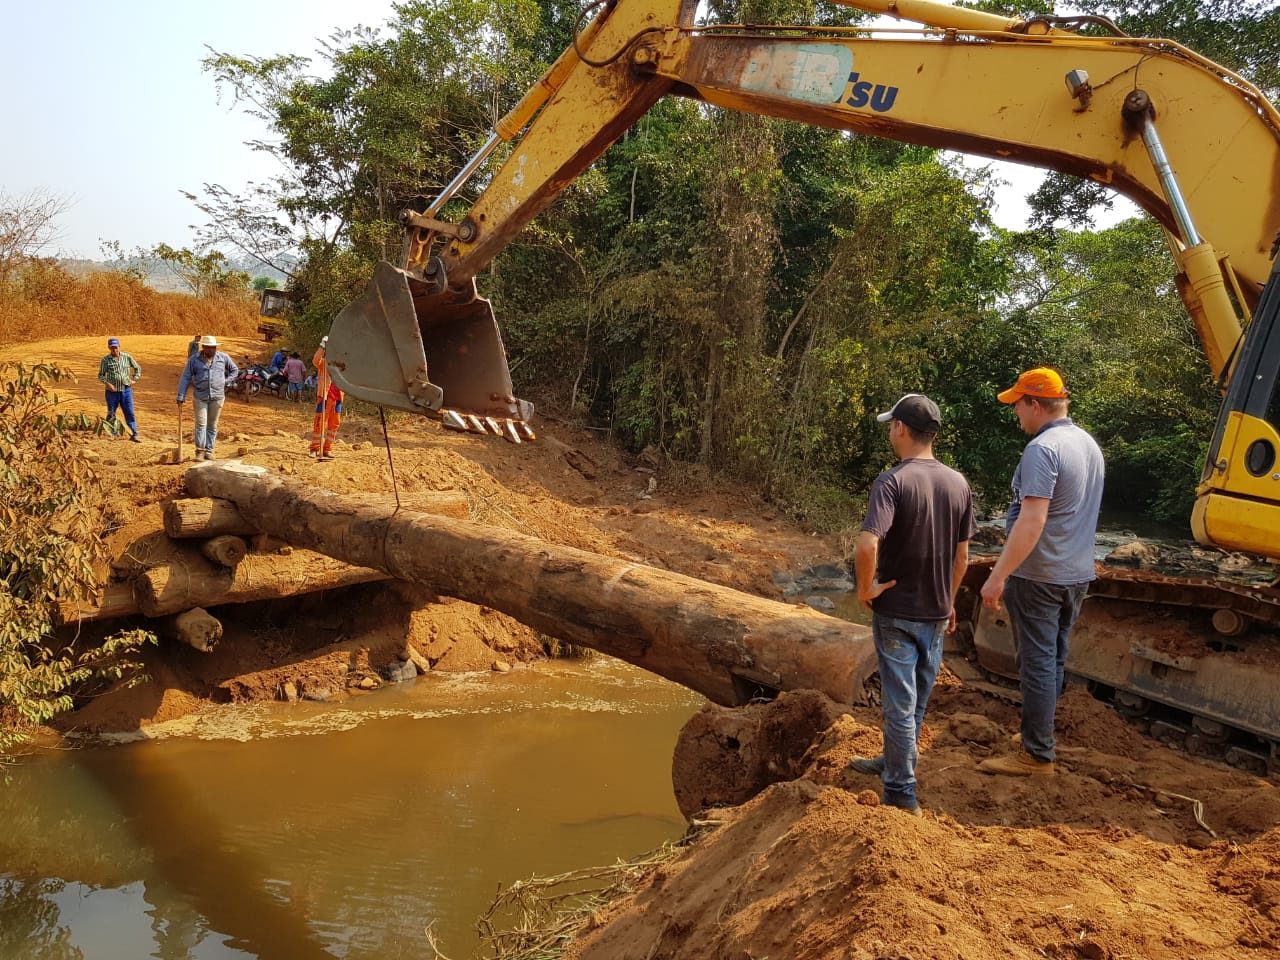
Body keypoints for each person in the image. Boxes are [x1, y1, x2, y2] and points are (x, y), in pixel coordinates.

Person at [847, 393, 976, 815]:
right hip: (937, 611)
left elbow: (867, 544)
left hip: (898, 612)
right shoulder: (958, 483)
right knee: (917, 699)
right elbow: (962, 558)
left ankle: (901, 794)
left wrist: (867, 589)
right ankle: (894, 761)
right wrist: (951, 601)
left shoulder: (892, 481)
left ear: (901, 428)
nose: (890, 432)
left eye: (891, 425)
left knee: (900, 703)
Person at [977, 367, 1104, 777]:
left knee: (1035, 662)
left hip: (1040, 576)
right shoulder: (1087, 444)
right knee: (1053, 661)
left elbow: (1032, 521)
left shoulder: (1043, 449)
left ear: (1035, 404)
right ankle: (1039, 736)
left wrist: (997, 576)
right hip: (1075, 573)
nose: (1016, 414)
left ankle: (1035, 755)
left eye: (1017, 405)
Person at [177, 335, 239, 461]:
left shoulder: (223, 357)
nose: (212, 350)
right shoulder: (194, 360)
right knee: (201, 424)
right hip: (200, 396)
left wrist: (226, 381)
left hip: (217, 397)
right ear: (203, 347)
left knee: (212, 425)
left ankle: (209, 451)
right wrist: (181, 395)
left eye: (214, 348)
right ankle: (200, 451)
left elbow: (234, 370)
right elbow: (186, 377)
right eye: (209, 348)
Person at [97, 337, 142, 442]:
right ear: (109, 348)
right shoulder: (105, 360)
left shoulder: (127, 357)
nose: (114, 350)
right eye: (112, 348)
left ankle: (134, 434)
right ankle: (112, 434)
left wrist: (134, 379)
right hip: (112, 392)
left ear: (119, 347)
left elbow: (137, 368)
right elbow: (100, 375)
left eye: (116, 347)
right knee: (111, 413)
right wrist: (107, 384)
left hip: (126, 391)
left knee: (129, 412)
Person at [309, 336, 344, 460]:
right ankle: (314, 448)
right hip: (324, 397)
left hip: (338, 398)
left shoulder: (342, 366)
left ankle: (327, 449)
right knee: (320, 423)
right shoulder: (324, 362)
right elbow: (315, 360)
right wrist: (322, 346)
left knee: (334, 424)